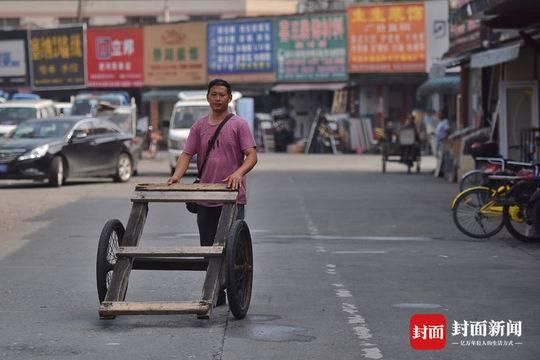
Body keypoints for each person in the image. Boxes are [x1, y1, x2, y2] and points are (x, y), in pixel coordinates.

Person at [167, 79, 258, 303]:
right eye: (214, 94)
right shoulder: (198, 127)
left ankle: (234, 288)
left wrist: (239, 173)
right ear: (208, 97)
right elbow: (187, 154)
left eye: (222, 95)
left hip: (232, 197)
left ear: (229, 98)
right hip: (206, 197)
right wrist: (176, 176)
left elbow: (252, 155)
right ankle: (215, 291)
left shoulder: (239, 125)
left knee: (231, 247)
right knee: (207, 247)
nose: (218, 99)